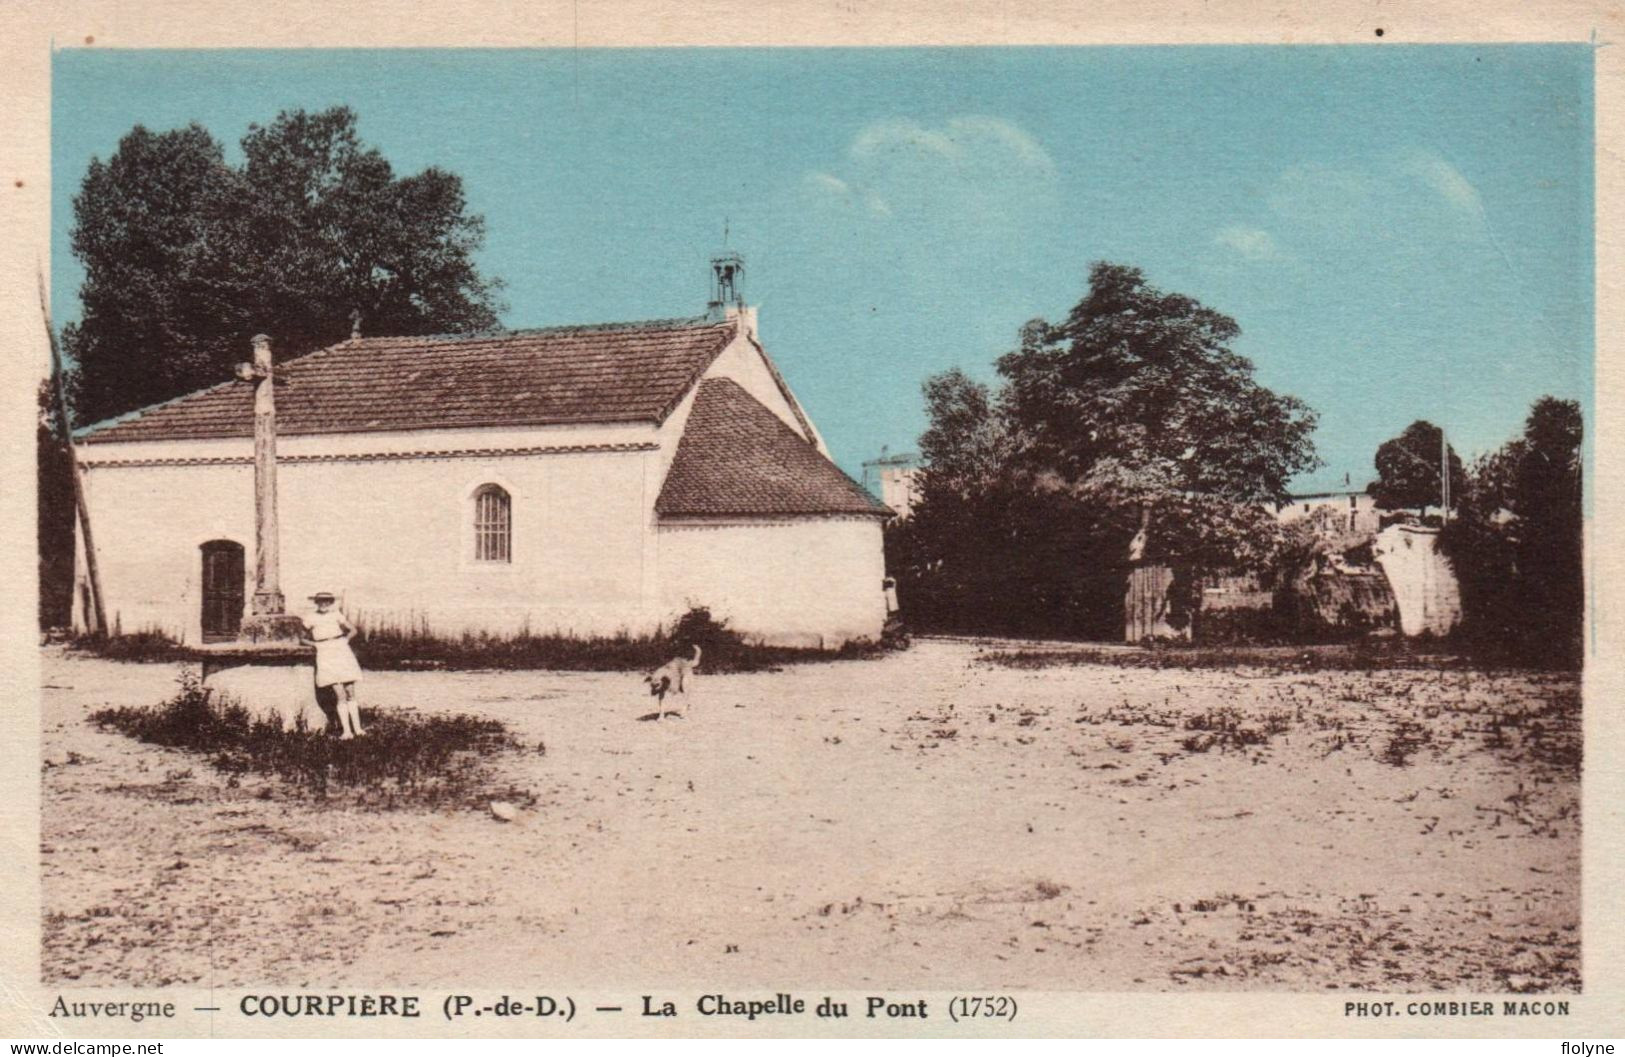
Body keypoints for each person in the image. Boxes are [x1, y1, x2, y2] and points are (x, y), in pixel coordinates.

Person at [299, 592, 365, 739]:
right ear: (316, 603)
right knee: (339, 693)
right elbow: (302, 638)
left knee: (350, 691)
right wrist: (316, 644)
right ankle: (346, 731)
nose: (324, 604)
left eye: (327, 602)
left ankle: (358, 729)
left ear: (330, 603)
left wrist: (345, 640)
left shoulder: (336, 614)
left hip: (341, 649)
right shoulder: (310, 617)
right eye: (321, 602)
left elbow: (353, 630)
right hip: (325, 652)